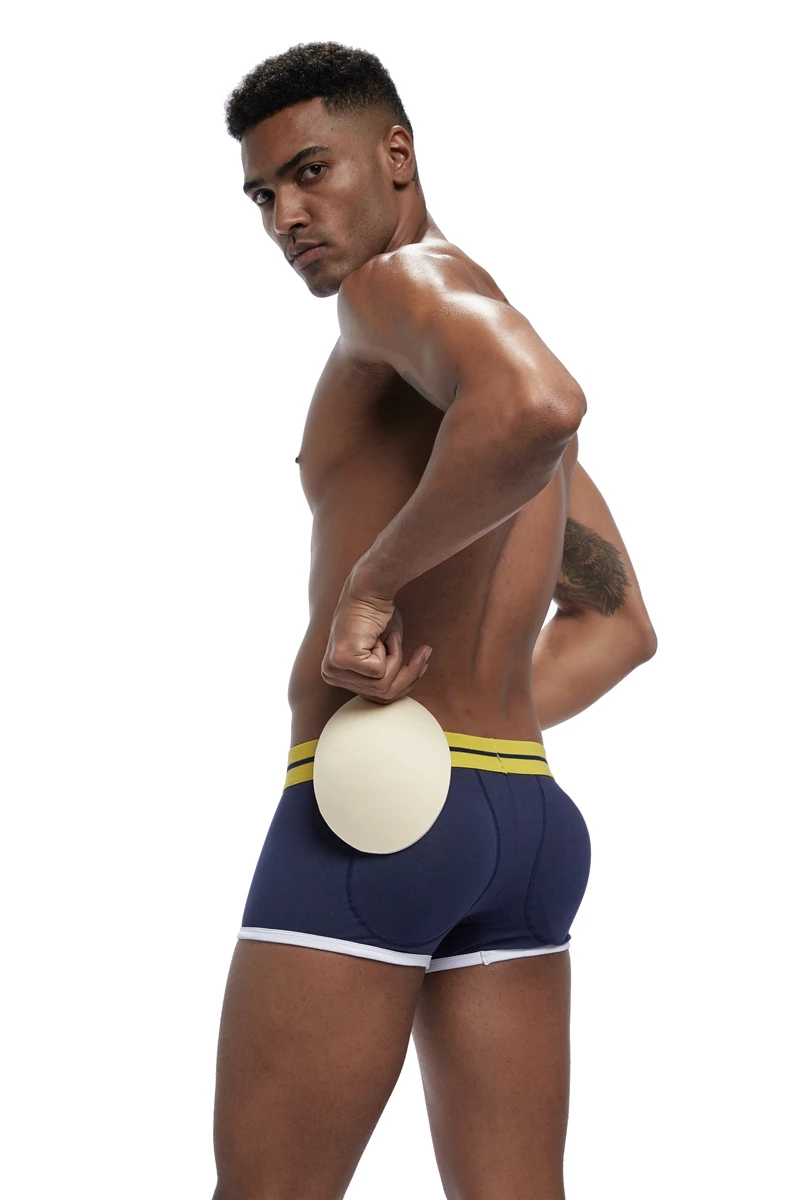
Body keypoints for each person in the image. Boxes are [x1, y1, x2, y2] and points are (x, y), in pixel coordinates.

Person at [213, 40, 657, 1200]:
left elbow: (538, 402)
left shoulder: (394, 291)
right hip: (522, 820)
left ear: (396, 155)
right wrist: (465, 732)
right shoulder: (474, 347)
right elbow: (617, 623)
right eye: (262, 196)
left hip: (375, 823)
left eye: (311, 172)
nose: (285, 216)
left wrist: (370, 587)